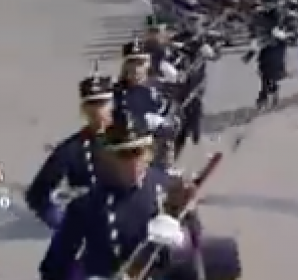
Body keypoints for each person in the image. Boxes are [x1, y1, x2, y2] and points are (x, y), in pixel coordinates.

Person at [38, 112, 198, 280]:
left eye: (138, 152)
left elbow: (195, 248)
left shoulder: (168, 186)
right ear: (108, 157)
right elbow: (53, 269)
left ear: (149, 152)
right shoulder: (86, 206)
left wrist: (183, 238)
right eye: (123, 155)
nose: (132, 163)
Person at [26, 67, 115, 230]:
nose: (97, 110)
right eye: (91, 104)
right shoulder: (71, 150)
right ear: (83, 110)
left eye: (102, 103)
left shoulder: (133, 143)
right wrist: (63, 224)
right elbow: (37, 194)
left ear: (112, 104)